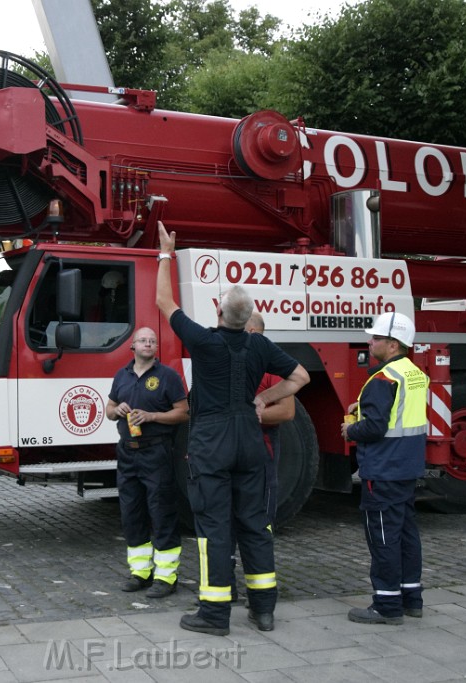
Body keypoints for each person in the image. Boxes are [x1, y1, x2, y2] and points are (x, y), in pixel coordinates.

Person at [155, 221, 310, 636]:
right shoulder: (260, 344)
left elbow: (163, 300)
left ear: (218, 312)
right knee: (255, 525)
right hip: (250, 441)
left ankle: (214, 613)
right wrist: (264, 398)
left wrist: (166, 252)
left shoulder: (204, 341)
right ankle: (264, 611)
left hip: (211, 442)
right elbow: (300, 378)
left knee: (214, 527)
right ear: (248, 318)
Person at [341, 311, 428, 625]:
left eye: (376, 338)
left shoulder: (382, 378)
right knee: (406, 534)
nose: (370, 341)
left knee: (382, 537)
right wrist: (361, 406)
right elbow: (399, 414)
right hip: (407, 466)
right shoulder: (413, 373)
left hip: (383, 468)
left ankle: (387, 606)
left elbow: (376, 427)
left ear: (393, 344)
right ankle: (411, 598)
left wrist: (351, 430)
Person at [105, 327, 189, 599]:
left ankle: (166, 577)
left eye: (152, 341)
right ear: (133, 345)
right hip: (127, 454)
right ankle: (140, 572)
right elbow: (108, 409)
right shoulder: (122, 375)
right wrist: (115, 410)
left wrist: (152, 417)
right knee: (131, 513)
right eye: (143, 340)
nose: (148, 343)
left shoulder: (168, 376)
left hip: (157, 453)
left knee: (162, 512)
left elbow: (183, 413)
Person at [245, 312, 296, 525]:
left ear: (252, 332)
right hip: (236, 441)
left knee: (263, 495)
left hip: (262, 441)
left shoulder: (272, 364)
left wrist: (246, 417)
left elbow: (286, 411)